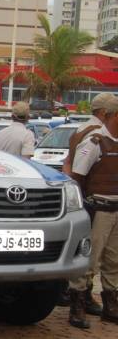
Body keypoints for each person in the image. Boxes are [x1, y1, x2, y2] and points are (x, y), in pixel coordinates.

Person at [59, 92, 118, 311]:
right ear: (107, 113)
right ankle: (80, 301)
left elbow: (67, 163)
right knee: (91, 256)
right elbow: (78, 173)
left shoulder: (79, 130)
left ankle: (97, 300)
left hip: (99, 202)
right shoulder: (95, 136)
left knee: (109, 257)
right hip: (96, 204)